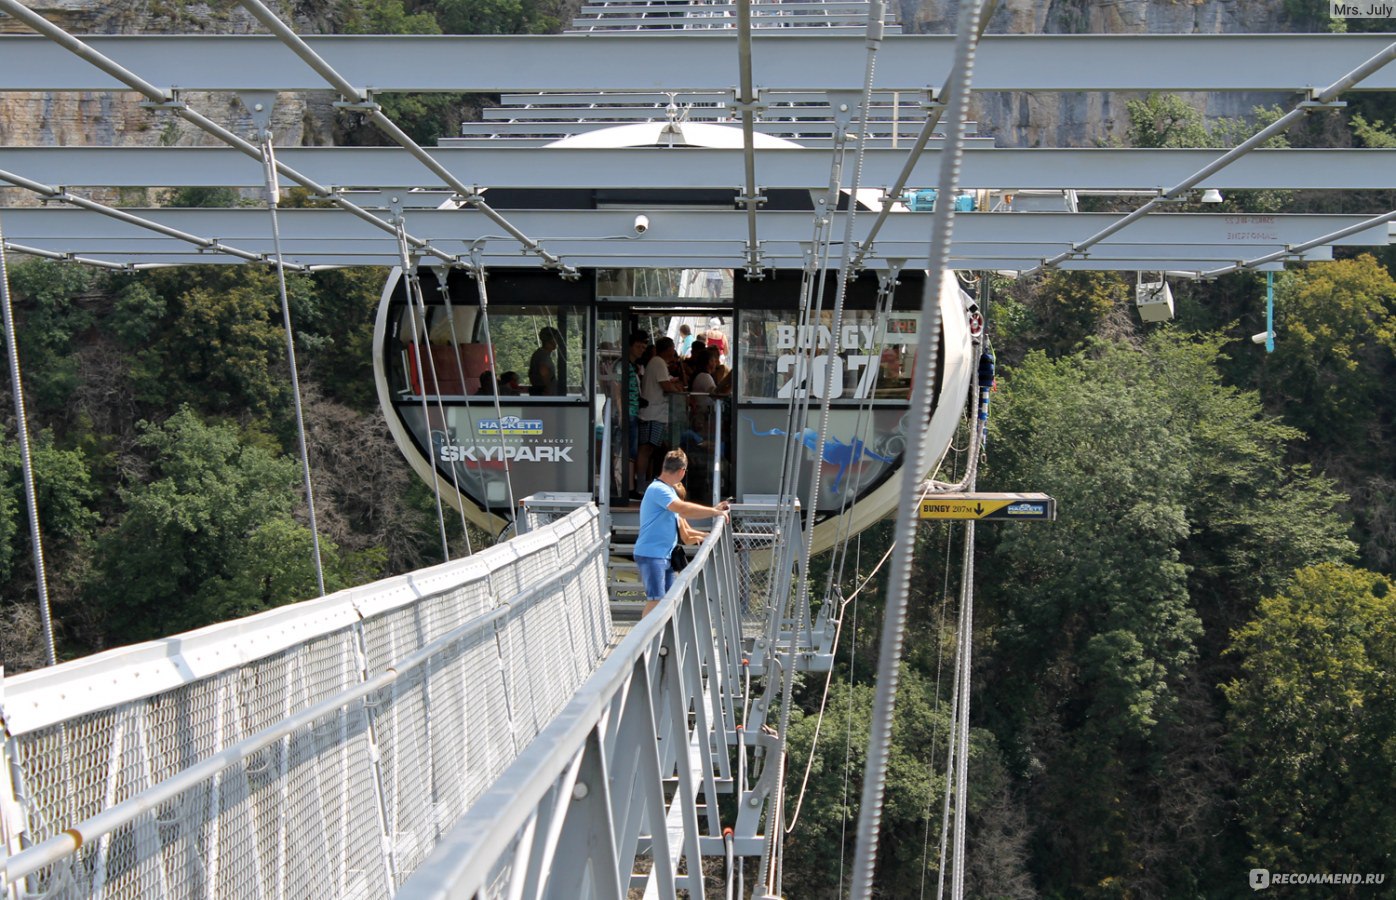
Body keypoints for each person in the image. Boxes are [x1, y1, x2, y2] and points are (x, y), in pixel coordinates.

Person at [633, 450, 729, 616]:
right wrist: (714, 512)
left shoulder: (668, 490)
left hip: (665, 555)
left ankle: (662, 641)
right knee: (656, 601)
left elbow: (684, 523)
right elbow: (683, 510)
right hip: (652, 555)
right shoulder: (658, 489)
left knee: (669, 601)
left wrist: (713, 513)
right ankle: (643, 641)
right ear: (682, 471)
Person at [634, 336, 682, 498]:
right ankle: (640, 484)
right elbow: (665, 385)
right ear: (668, 349)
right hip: (652, 414)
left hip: (655, 414)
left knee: (653, 448)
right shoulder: (658, 362)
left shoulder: (656, 362)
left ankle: (646, 481)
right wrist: (677, 389)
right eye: (673, 347)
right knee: (646, 449)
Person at [528, 326, 562, 395]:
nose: (557, 342)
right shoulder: (543, 355)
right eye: (556, 338)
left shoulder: (540, 354)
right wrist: (548, 389)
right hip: (545, 395)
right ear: (550, 340)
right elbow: (543, 371)